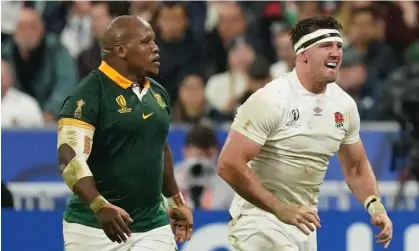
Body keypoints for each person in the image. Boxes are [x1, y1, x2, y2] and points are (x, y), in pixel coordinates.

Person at [217, 16, 393, 251]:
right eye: (325, 46)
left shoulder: (344, 105)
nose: (336, 53)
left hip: (302, 223)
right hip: (259, 221)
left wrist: (375, 206)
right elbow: (228, 164)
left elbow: (356, 167)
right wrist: (279, 207)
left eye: (338, 46)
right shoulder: (271, 99)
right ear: (302, 55)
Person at [57, 16, 193, 251]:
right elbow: (69, 159)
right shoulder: (88, 95)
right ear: (120, 50)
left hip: (153, 226)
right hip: (93, 228)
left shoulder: (158, 94)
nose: (155, 48)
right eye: (146, 42)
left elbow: (160, 147)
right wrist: (100, 206)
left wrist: (176, 201)